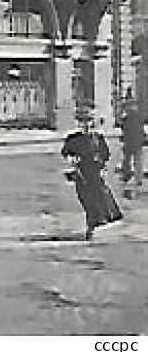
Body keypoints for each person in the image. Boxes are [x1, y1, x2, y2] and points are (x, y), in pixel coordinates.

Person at [62, 110, 123, 240]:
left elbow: (105, 153)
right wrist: (71, 158)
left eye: (88, 122)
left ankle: (93, 225)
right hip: (81, 174)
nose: (86, 125)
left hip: (95, 173)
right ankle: (93, 224)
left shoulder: (97, 138)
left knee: (98, 199)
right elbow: (66, 152)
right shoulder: (73, 139)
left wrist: (102, 164)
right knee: (86, 200)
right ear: (78, 123)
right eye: (82, 122)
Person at [119, 88, 144, 197]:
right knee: (137, 160)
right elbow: (140, 129)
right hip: (137, 141)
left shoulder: (127, 117)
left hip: (130, 141)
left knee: (127, 160)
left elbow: (124, 128)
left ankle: (126, 175)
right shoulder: (138, 116)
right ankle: (138, 178)